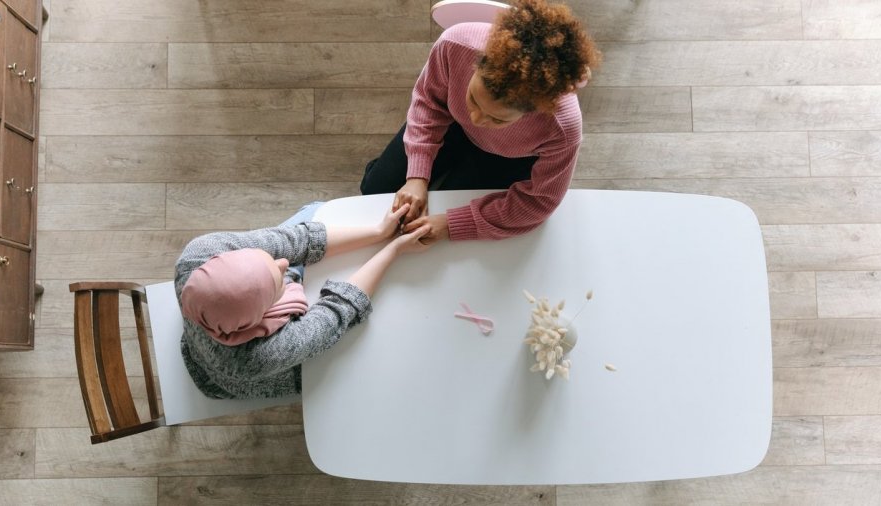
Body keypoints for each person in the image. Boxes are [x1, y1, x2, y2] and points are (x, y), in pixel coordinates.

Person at [359, 0, 601, 242]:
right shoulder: (454, 44)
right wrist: (416, 177)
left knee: (443, 204)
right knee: (374, 190)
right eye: (473, 98)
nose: (475, 118)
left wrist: (450, 224)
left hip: (508, 157)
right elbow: (428, 102)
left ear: (535, 111)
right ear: (476, 63)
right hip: (452, 125)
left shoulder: (562, 128)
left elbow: (539, 201)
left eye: (497, 118)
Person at [175, 202, 432, 399]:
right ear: (259, 315)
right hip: (256, 375)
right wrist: (394, 249)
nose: (284, 263)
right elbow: (337, 311)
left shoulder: (198, 253)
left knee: (317, 210)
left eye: (265, 258)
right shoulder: (254, 358)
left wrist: (380, 231)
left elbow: (296, 242)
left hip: (235, 323)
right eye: (279, 280)